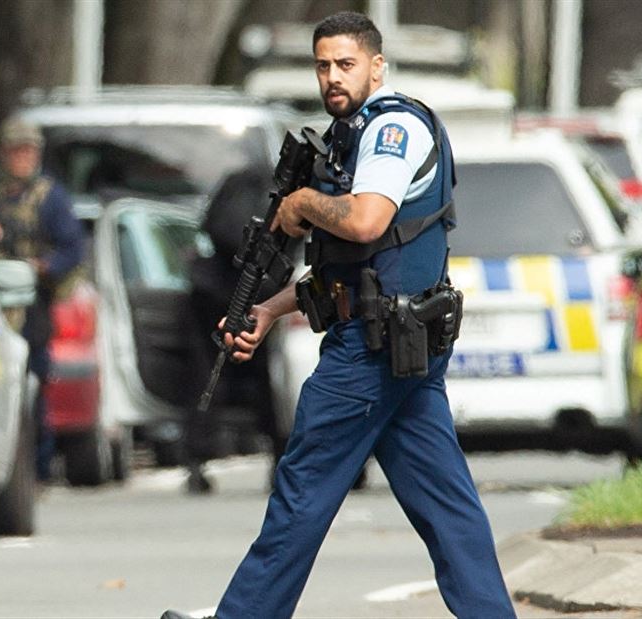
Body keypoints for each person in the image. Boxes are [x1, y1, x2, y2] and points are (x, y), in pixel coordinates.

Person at [163, 11, 515, 619]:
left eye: (346, 64)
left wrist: (303, 201)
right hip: (402, 342)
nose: (333, 77)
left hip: (370, 352)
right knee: (447, 507)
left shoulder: (389, 130)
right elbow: (354, 268)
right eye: (323, 65)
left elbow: (366, 221)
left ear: (377, 66)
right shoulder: (355, 135)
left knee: (301, 496)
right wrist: (270, 309)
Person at [0, 115, 85, 483]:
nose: (22, 157)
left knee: (32, 385)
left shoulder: (50, 197)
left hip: (30, 308)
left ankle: (35, 470)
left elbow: (73, 249)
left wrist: (41, 267)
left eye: (28, 150)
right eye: (16, 150)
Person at [184, 166, 288, 493]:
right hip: (251, 295)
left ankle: (198, 462)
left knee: (209, 379)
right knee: (265, 382)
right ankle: (278, 456)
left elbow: (210, 225)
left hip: (225, 294)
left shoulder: (235, 186)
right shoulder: (269, 190)